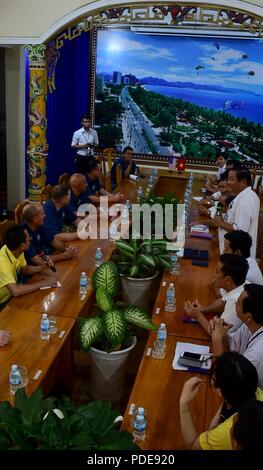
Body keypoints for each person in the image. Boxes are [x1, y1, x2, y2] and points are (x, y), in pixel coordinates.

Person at [179, 352, 263, 450]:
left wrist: (183, 403)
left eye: (214, 378)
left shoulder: (229, 432)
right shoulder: (252, 389)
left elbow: (193, 445)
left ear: (220, 391)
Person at [211, 283, 263, 388]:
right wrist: (222, 332)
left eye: (238, 302)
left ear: (249, 316)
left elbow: (226, 382)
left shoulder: (256, 353)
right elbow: (231, 346)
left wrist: (216, 339)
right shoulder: (250, 325)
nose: (235, 303)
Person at [184, 253, 248, 333]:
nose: (214, 275)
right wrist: (204, 309)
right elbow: (223, 301)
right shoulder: (242, 285)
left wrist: (198, 316)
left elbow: (218, 335)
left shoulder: (236, 301)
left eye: (217, 272)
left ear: (228, 280)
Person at [0, 225, 57, 308]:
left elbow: (25, 269)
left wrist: (42, 267)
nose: (30, 239)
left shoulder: (16, 250)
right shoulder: (2, 262)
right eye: (28, 239)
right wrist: (43, 283)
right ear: (22, 246)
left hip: (12, 294)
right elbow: (16, 291)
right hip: (3, 301)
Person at [212, 167, 260, 257]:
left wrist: (220, 223)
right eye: (228, 179)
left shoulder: (245, 201)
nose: (228, 182)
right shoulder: (247, 195)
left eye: (231, 179)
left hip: (235, 257)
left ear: (243, 182)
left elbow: (239, 231)